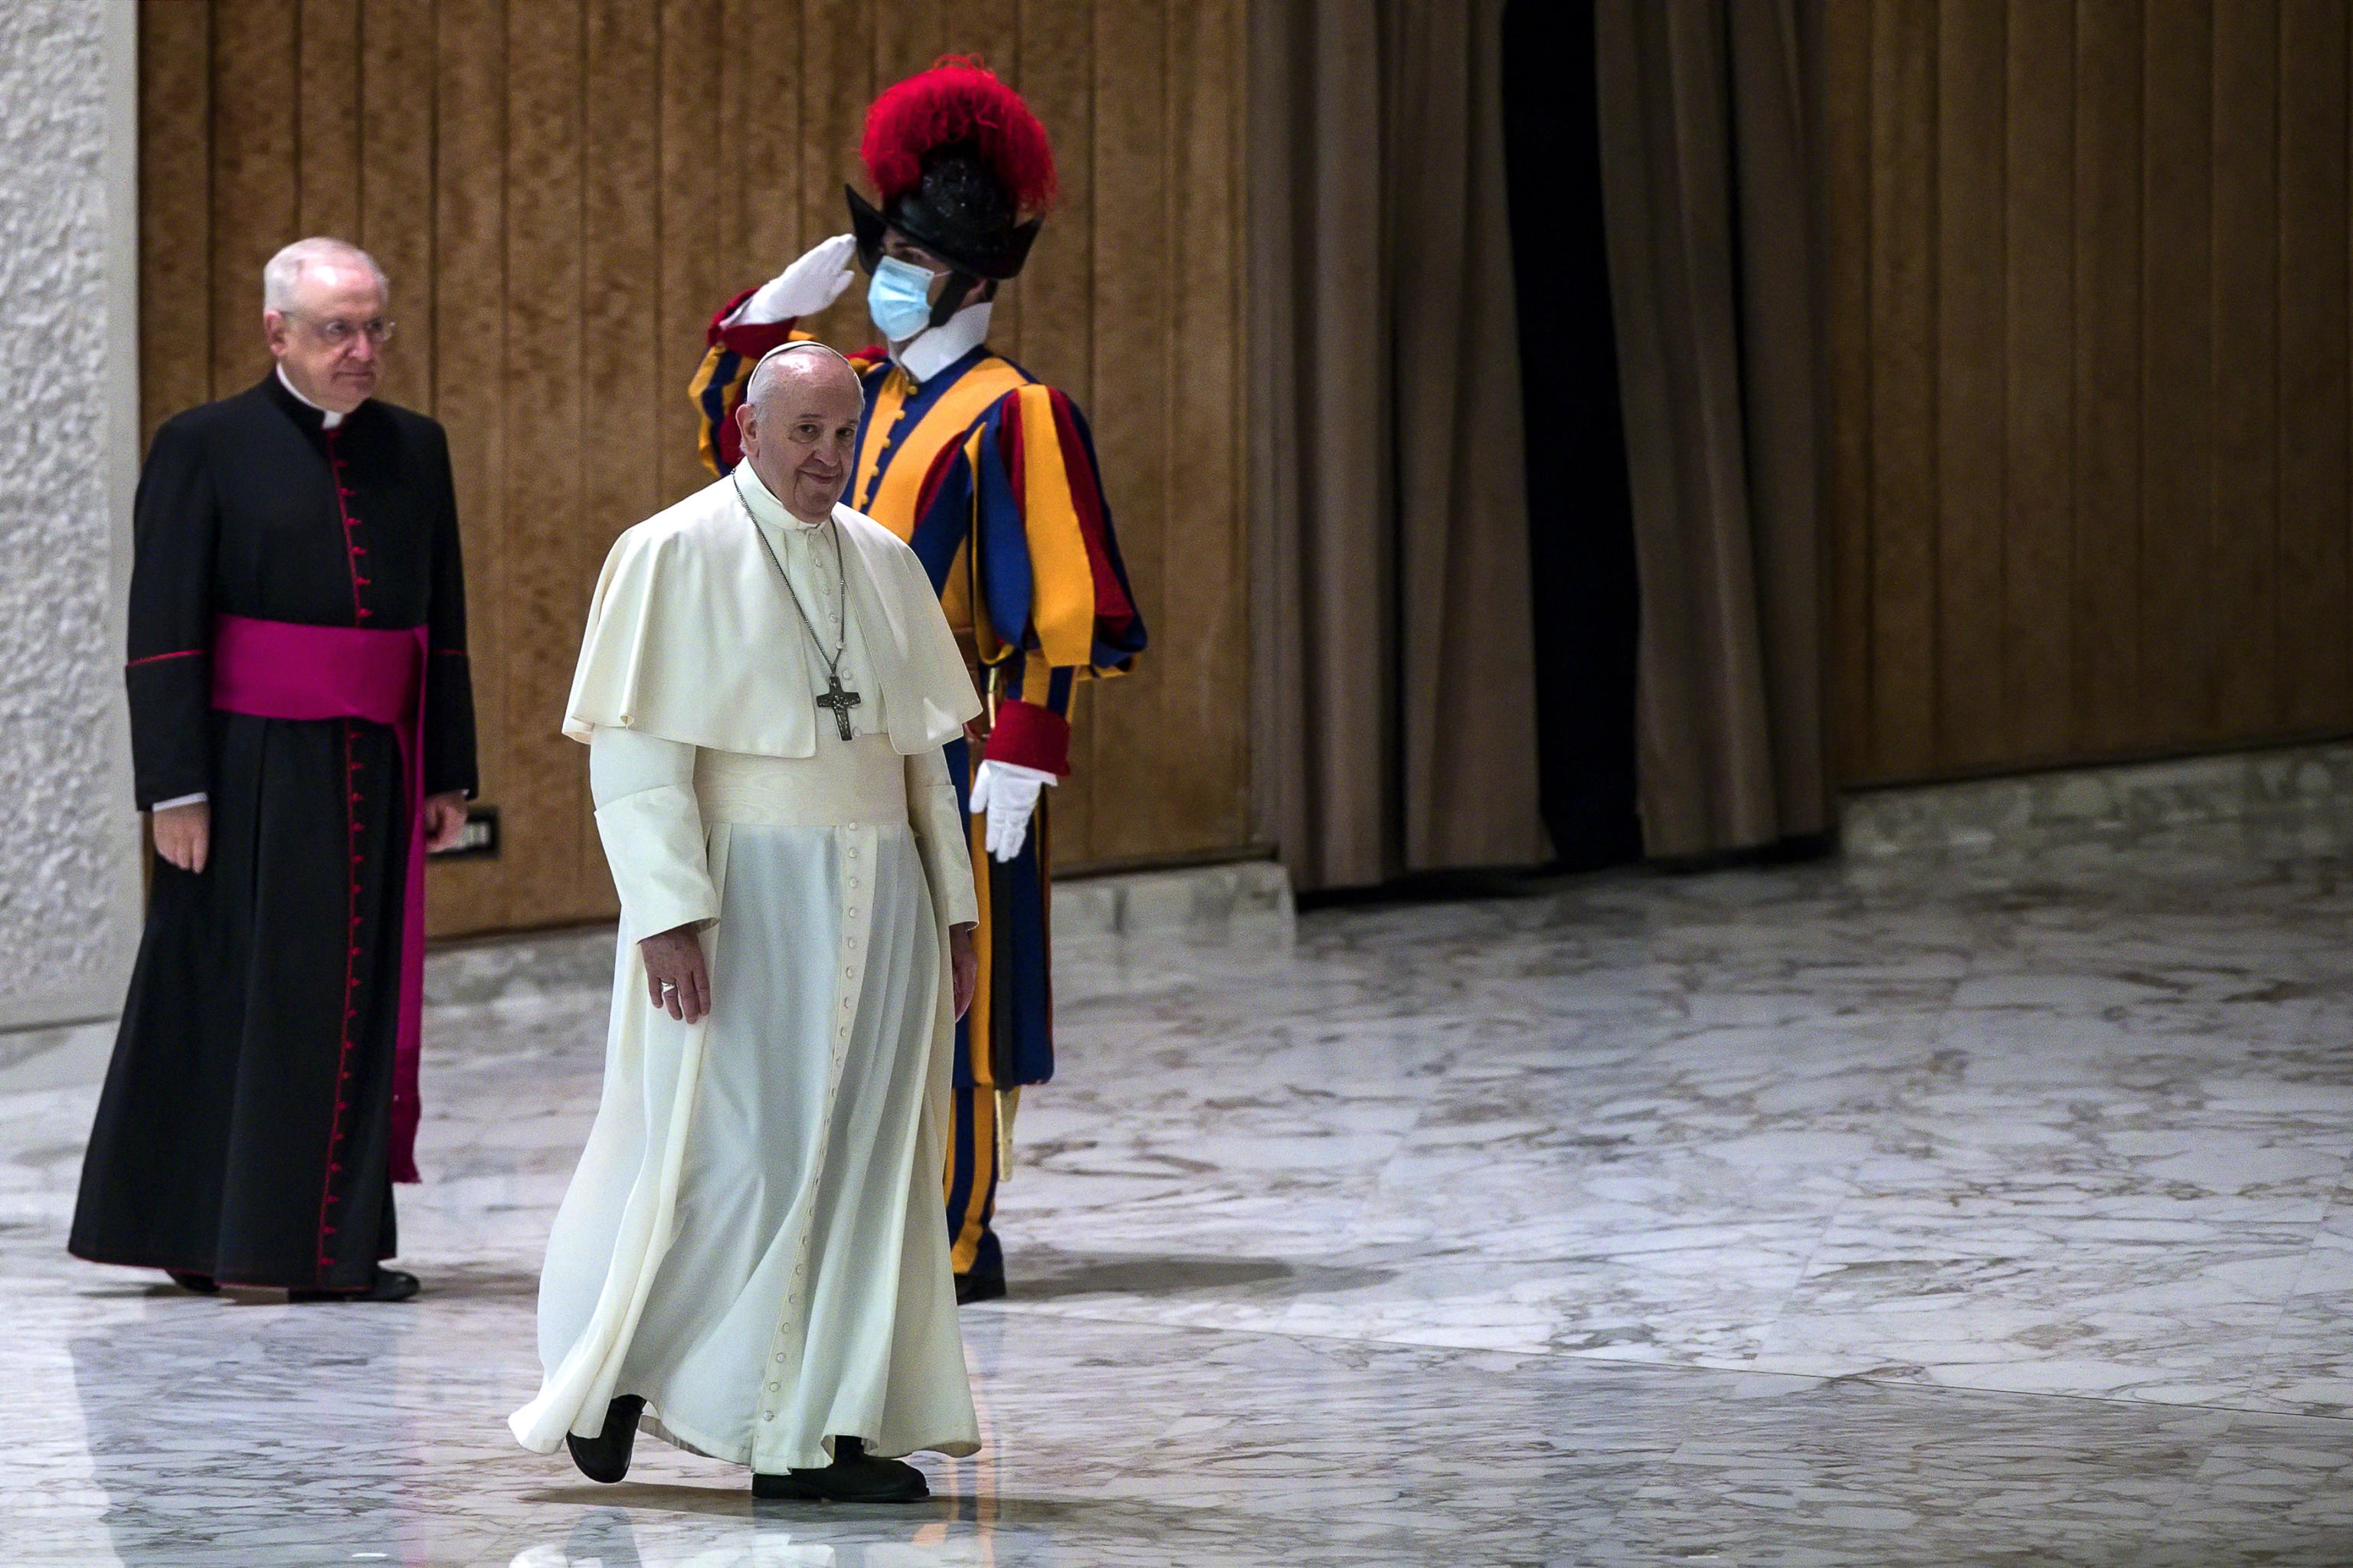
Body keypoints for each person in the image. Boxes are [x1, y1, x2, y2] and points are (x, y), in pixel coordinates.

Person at [689, 57, 1146, 1303]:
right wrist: (759, 323)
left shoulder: (1016, 412)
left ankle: (952, 1230)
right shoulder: (855, 394)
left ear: (977, 277)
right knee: (835, 981)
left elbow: (1057, 595)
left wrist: (1030, 745)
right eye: (882, 246)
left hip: (954, 742)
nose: (891, 274)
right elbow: (730, 432)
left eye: (913, 255)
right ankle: (843, 1209)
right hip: (833, 736)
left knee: (957, 994)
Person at [510, 343, 985, 1503]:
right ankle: (614, 1373)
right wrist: (669, 913)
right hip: (743, 904)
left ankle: (824, 1428)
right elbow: (639, 761)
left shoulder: (883, 562)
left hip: (885, 906)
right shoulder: (670, 552)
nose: (828, 456)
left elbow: (925, 763)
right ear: (751, 433)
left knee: (866, 1162)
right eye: (806, 432)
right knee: (728, 1158)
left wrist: (959, 916)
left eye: (844, 433)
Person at [68, 237, 477, 1303]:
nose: (362, 350)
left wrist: (446, 772)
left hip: (374, 771)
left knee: (351, 996)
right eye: (338, 328)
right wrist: (174, 788)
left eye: (376, 326)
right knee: (243, 999)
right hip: (244, 775)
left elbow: (444, 625)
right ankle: (230, 1238)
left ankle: (330, 1243)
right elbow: (161, 627)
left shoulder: (416, 449)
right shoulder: (204, 444)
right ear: (276, 333)